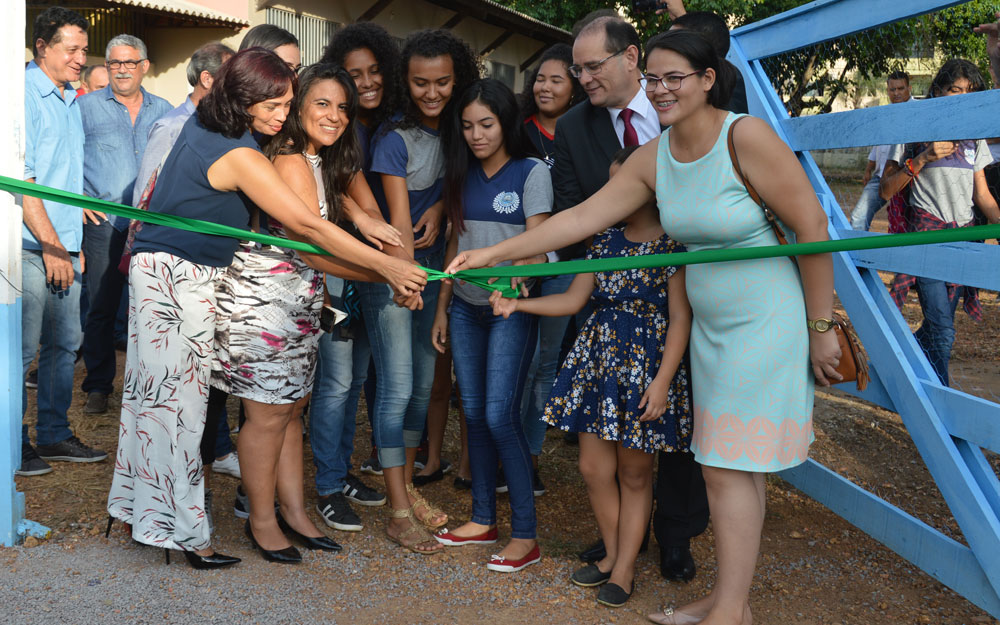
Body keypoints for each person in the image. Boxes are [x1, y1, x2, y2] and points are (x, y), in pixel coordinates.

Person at [445, 30, 841, 625]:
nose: (660, 90)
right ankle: (730, 600)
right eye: (653, 79)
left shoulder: (744, 136)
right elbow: (581, 217)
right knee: (732, 463)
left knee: (726, 465)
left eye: (673, 77)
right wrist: (495, 254)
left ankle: (729, 610)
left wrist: (820, 324)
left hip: (763, 317)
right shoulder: (656, 156)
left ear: (708, 79)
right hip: (709, 326)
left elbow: (812, 226)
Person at [105, 48, 427, 569]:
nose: (281, 114)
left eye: (285, 103)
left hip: (181, 273)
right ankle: (187, 537)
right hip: (178, 277)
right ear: (241, 97)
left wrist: (367, 228)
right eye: (272, 104)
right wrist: (388, 270)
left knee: (160, 406)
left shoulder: (224, 131)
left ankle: (147, 517)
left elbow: (325, 203)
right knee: (177, 413)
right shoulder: (243, 154)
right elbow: (307, 228)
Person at [490, 145, 692, 605]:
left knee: (635, 473)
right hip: (598, 361)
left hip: (645, 365)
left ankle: (623, 567)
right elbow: (573, 300)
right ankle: (614, 553)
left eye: (622, 183)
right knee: (593, 466)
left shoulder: (673, 245)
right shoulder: (603, 243)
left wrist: (661, 381)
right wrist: (518, 304)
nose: (612, 192)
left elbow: (680, 319)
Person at [554, 15, 708, 582]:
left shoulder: (681, 106)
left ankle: (676, 536)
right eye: (578, 69)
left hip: (689, 286)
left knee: (680, 419)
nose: (584, 78)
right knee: (613, 437)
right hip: (615, 296)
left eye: (593, 66)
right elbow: (573, 211)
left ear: (630, 58)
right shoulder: (573, 128)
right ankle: (621, 544)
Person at [362, 28, 480, 554]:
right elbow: (399, 221)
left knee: (421, 386)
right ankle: (399, 512)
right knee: (397, 386)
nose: (432, 93)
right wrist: (405, 277)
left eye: (443, 83)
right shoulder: (393, 136)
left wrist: (440, 206)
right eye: (420, 83)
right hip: (394, 272)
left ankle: (405, 491)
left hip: (435, 272)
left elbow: (453, 191)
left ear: (459, 80)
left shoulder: (461, 129)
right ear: (403, 84)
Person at [430, 78, 551, 572]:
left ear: (506, 123)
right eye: (467, 126)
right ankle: (483, 519)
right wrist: (441, 306)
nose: (476, 134)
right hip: (464, 307)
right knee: (475, 414)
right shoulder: (460, 173)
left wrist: (514, 288)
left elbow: (539, 245)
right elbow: (453, 247)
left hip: (510, 309)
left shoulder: (531, 171)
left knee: (501, 415)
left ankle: (526, 534)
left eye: (486, 124)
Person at [306, 21, 410, 532]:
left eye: (341, 107)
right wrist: (385, 258)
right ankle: (326, 485)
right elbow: (317, 223)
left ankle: (340, 471)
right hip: (325, 280)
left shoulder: (346, 145)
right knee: (336, 382)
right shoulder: (293, 154)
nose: (335, 115)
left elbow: (361, 200)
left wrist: (384, 238)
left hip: (360, 274)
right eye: (324, 103)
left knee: (355, 379)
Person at [129, 42, 240, 489]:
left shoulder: (224, 131)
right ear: (209, 80)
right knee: (169, 396)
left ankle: (210, 458)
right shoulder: (174, 126)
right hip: (172, 270)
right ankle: (169, 506)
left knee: (193, 389)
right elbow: (147, 198)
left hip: (198, 268)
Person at [18, 7, 107, 478]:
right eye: (70, 49)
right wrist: (54, 245)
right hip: (29, 245)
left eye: (82, 49)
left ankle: (52, 434)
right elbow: (25, 180)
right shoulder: (21, 96)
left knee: (64, 343)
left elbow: (66, 176)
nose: (79, 58)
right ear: (42, 48)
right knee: (24, 349)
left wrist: (73, 243)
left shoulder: (71, 96)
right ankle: (14, 442)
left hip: (62, 244)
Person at [879, 59, 1000, 387]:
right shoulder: (913, 130)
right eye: (954, 90)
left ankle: (902, 363)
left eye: (969, 92)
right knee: (945, 332)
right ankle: (940, 408)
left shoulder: (973, 140)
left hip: (962, 242)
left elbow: (983, 197)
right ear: (937, 91)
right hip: (926, 241)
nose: (961, 97)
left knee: (935, 328)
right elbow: (886, 189)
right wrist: (922, 159)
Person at [78, 34, 172, 416]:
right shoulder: (85, 108)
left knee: (147, 308)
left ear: (144, 67)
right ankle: (98, 386)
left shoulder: (164, 110)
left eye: (129, 63)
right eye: (115, 63)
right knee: (100, 306)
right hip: (103, 222)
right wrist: (77, 200)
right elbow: (68, 156)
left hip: (149, 226)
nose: (121, 69)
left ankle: (143, 388)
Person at [515, 43, 585, 495]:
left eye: (556, 79)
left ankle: (530, 458)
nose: (544, 86)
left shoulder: (585, 131)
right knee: (514, 361)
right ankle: (504, 453)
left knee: (545, 364)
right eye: (540, 77)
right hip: (519, 259)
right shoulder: (517, 131)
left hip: (568, 261)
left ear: (575, 85)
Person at [849, 71, 912, 231]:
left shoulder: (919, 111)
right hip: (881, 177)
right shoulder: (884, 114)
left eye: (900, 88)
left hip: (909, 176)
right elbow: (879, 145)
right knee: (858, 217)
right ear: (887, 90)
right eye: (892, 89)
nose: (896, 93)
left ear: (909, 88)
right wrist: (868, 169)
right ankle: (857, 254)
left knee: (907, 223)